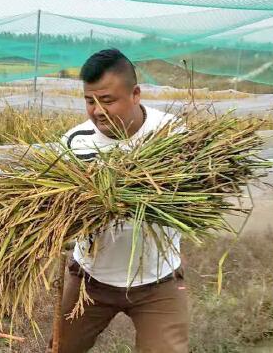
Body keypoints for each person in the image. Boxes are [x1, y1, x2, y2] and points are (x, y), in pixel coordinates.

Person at [49, 49, 188, 353]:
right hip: (90, 279)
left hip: (158, 280)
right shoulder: (74, 143)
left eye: (107, 100)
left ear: (135, 94)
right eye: (90, 101)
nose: (97, 111)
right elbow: (59, 210)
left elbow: (190, 193)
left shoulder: (171, 133)